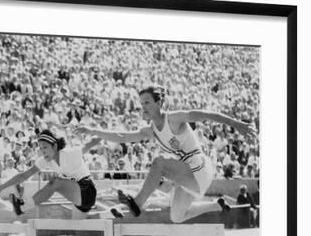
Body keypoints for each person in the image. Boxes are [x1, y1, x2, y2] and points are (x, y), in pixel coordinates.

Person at [77, 85, 257, 222]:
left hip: (199, 166)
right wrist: (93, 130)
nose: (143, 107)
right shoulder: (151, 130)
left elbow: (205, 115)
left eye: (147, 102)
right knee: (177, 216)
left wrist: (238, 125)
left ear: (159, 103)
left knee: (159, 163)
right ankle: (215, 205)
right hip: (187, 174)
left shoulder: (173, 118)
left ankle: (137, 204)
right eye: (141, 104)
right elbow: (122, 136)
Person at [0, 129, 101, 216]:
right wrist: (0, 187)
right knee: (55, 182)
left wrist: (100, 132)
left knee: (56, 182)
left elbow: (92, 142)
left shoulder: (70, 153)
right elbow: (24, 175)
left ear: (55, 146)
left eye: (45, 147)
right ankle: (22, 207)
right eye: (40, 148)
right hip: (79, 201)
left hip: (88, 190)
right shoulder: (45, 161)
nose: (42, 151)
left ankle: (23, 207)